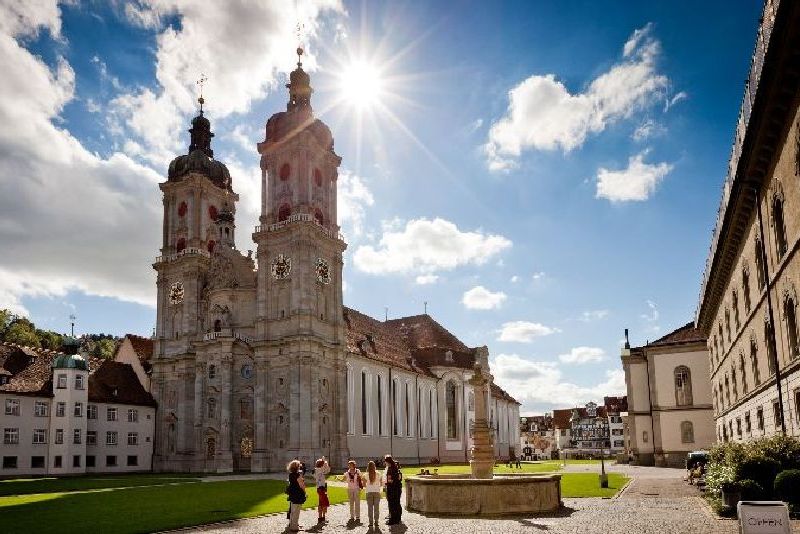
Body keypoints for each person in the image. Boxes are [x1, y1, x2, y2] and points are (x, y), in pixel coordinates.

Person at [286, 460, 307, 532]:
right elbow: (302, 485)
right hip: (298, 494)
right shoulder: (298, 475)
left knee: (292, 510)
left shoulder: (291, 474)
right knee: (296, 511)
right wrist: (305, 492)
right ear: (297, 467)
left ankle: (293, 525)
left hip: (292, 493)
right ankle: (294, 527)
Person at [384, 454, 403, 525]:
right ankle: (398, 518)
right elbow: (399, 478)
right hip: (397, 488)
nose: (385, 463)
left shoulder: (390, 469)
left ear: (387, 461)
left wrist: (386, 483)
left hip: (392, 489)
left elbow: (390, 480)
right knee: (397, 503)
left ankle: (393, 520)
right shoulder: (396, 468)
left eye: (385, 461)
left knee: (392, 504)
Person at [365, 460, 384, 527]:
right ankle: (376, 522)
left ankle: (370, 522)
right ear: (374, 466)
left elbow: (364, 484)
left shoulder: (366, 475)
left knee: (370, 508)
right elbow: (382, 483)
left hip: (369, 492)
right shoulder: (378, 474)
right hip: (376, 492)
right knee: (376, 508)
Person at [314, 457, 331, 523]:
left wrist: (323, 462)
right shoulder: (321, 470)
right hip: (322, 488)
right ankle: (323, 518)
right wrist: (325, 461)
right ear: (322, 465)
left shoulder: (316, 470)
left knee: (321, 503)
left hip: (319, 488)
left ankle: (320, 517)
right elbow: (328, 470)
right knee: (324, 503)